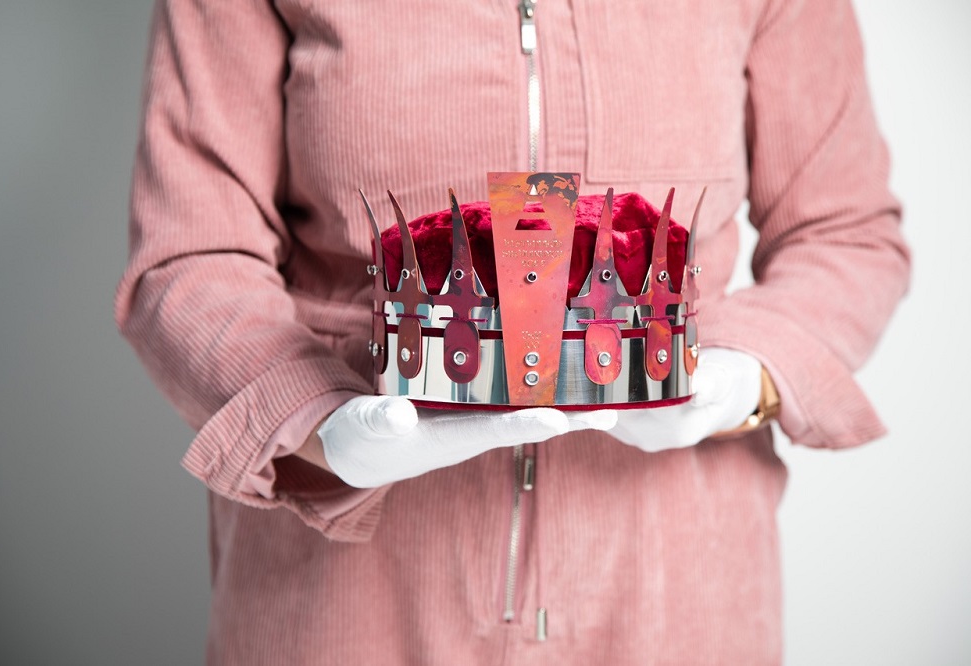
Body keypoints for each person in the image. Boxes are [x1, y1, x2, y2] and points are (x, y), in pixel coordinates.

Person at [115, 0, 910, 663]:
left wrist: (742, 375)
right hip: (349, 602)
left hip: (673, 598)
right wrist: (317, 424)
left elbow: (845, 233)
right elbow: (191, 253)